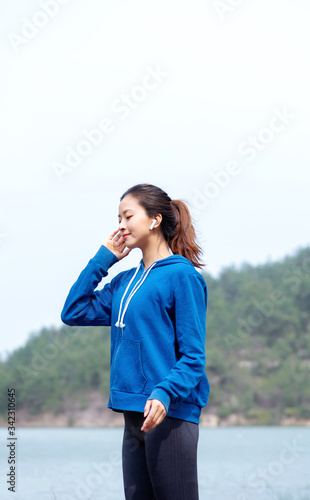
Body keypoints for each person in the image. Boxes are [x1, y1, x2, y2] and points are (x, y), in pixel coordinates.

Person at [61, 183, 210, 500]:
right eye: (118, 217)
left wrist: (164, 393)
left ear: (154, 220)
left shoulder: (182, 277)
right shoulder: (123, 282)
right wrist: (103, 259)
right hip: (133, 412)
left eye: (128, 216)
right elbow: (73, 311)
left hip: (169, 414)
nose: (121, 225)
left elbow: (194, 357)